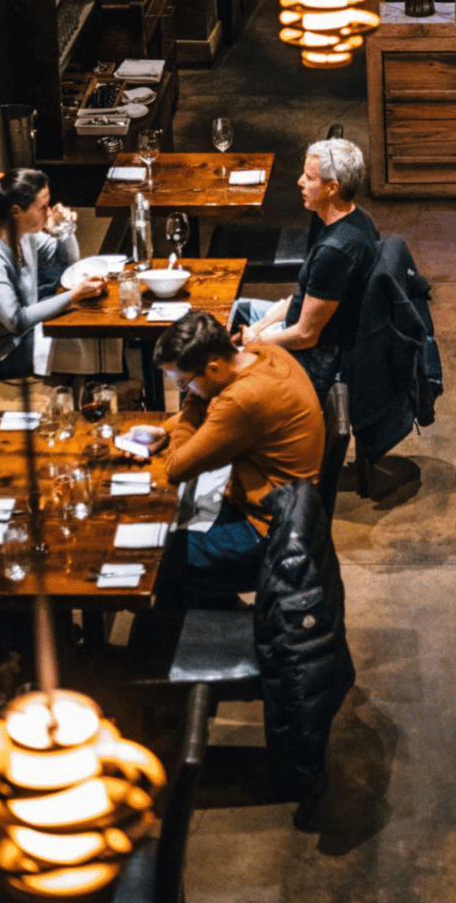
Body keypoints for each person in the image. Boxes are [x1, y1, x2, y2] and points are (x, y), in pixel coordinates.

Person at [151, 310, 326, 608]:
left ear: (214, 368)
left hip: (271, 531)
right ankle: (205, 607)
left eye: (183, 382)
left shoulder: (242, 398)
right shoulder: (264, 352)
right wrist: (166, 428)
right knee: (172, 516)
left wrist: (193, 398)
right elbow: (216, 415)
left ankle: (185, 627)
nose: (184, 390)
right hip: (294, 505)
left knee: (157, 555)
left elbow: (177, 466)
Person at [230, 138, 380, 400]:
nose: (300, 181)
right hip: (297, 323)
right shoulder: (355, 217)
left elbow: (306, 335)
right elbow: (307, 293)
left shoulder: (335, 252)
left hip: (315, 361)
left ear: (332, 188)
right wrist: (260, 326)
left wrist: (255, 342)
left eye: (309, 178)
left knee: (210, 368)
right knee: (228, 313)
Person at [0, 168, 104, 380]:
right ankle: (106, 391)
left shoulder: (23, 233)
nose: (48, 212)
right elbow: (17, 321)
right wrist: (73, 295)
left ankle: (113, 391)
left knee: (94, 320)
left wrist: (64, 228)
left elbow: (68, 265)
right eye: (41, 207)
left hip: (31, 329)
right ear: (16, 211)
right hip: (4, 351)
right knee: (84, 338)